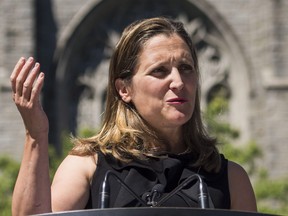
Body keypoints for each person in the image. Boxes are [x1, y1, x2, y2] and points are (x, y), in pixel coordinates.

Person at [11, 17, 257, 215]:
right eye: (159, 71)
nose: (179, 82)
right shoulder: (88, 166)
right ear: (124, 89)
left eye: (186, 68)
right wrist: (36, 135)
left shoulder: (230, 178)